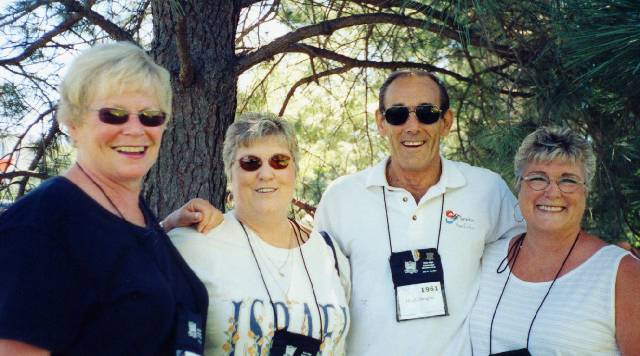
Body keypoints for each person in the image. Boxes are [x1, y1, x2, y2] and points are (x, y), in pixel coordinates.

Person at [0, 42, 221, 355]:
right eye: (113, 115)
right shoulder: (41, 224)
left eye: (150, 117)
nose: (134, 129)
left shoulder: (134, 213)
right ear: (73, 124)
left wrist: (170, 225)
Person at [313, 69, 525, 355]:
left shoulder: (487, 190)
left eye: (426, 113)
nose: (412, 126)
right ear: (381, 122)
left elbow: (527, 271)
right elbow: (318, 296)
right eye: (398, 115)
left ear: (446, 122)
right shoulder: (342, 197)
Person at [169, 113, 351, 355]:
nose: (266, 174)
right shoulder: (193, 243)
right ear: (229, 173)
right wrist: (164, 226)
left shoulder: (329, 254)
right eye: (250, 163)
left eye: (279, 161)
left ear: (294, 170)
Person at [469, 126, 640, 355]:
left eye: (568, 181)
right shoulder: (487, 257)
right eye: (538, 178)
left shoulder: (622, 273)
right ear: (519, 186)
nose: (553, 192)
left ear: (585, 192)